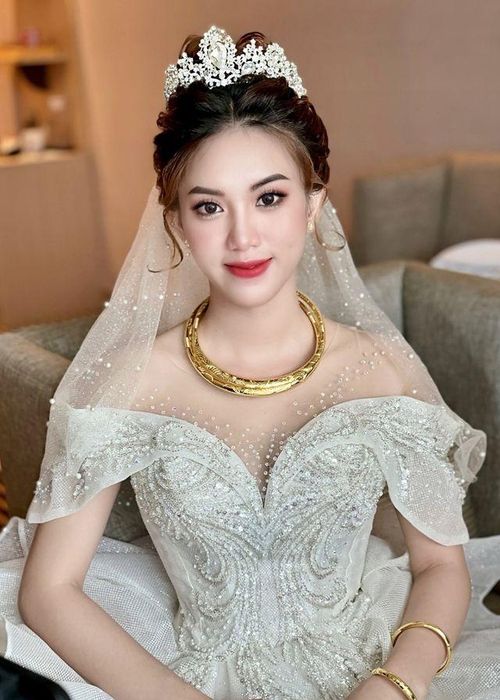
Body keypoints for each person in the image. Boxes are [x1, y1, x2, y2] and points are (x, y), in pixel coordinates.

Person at [0, 25, 499, 700]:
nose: (243, 236)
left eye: (269, 197)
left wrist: (393, 685)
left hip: (372, 664)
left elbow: (441, 565)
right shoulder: (129, 380)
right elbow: (50, 591)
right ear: (175, 222)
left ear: (313, 204)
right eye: (209, 206)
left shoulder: (379, 368)